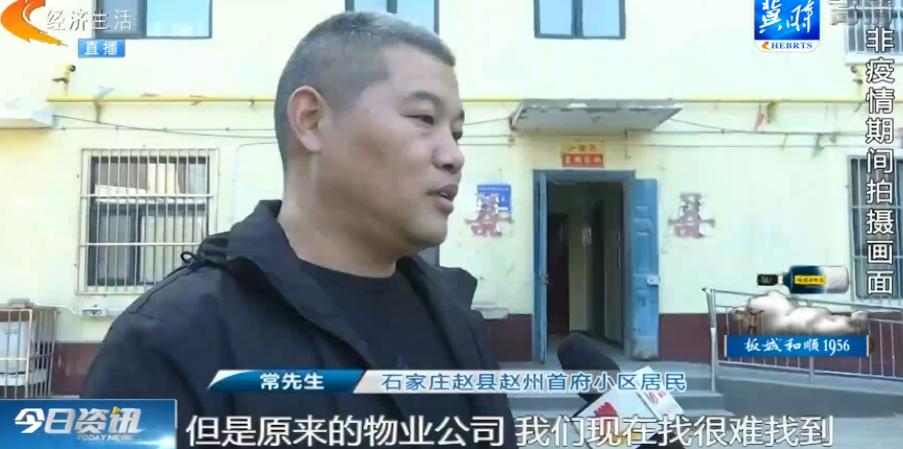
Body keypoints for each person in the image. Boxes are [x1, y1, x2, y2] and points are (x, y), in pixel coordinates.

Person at [82, 11, 516, 449]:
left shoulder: (455, 319)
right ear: (311, 120)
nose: (454, 156)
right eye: (424, 118)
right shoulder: (168, 340)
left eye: (456, 133)